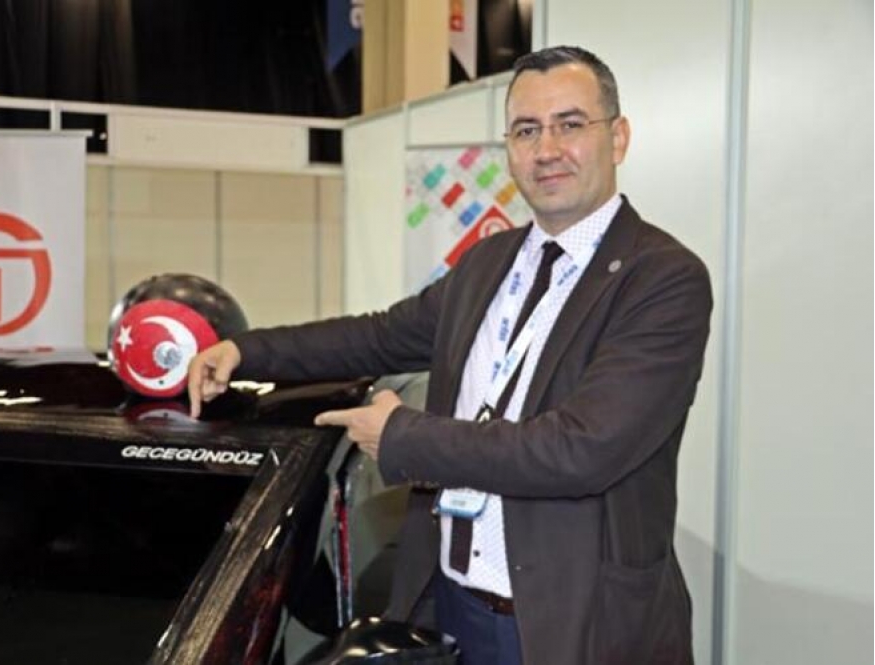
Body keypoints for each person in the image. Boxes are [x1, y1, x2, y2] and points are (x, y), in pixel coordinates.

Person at [188, 45, 711, 665]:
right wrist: (244, 351)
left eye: (570, 124)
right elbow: (377, 336)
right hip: (451, 608)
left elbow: (579, 450)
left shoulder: (662, 279)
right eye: (526, 130)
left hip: (574, 625)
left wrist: (401, 436)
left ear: (617, 137)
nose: (547, 149)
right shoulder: (490, 263)